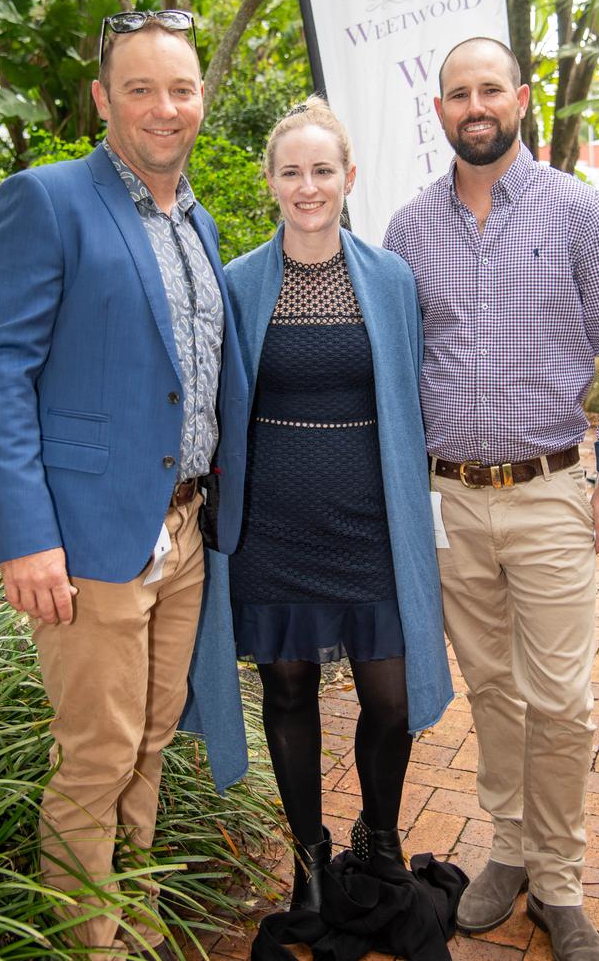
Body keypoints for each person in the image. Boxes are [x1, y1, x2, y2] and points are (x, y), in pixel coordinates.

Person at [0, 11, 248, 961]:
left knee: (151, 738)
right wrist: (24, 537)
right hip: (85, 541)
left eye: (180, 89)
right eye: (139, 89)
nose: (164, 108)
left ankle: (130, 915)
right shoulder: (45, 200)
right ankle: (86, 944)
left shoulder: (199, 222)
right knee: (96, 754)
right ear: (103, 100)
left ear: (201, 99)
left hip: (180, 537)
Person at [384, 36, 599, 961]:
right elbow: (403, 368)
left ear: (520, 98)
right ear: (439, 110)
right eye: (459, 93)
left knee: (561, 699)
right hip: (451, 500)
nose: (475, 105)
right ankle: (510, 848)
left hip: (549, 493)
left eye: (491, 88)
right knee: (492, 689)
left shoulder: (576, 212)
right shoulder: (410, 228)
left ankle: (560, 883)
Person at [217, 96, 454, 915]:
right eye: (292, 172)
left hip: (372, 522)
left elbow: (419, 394)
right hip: (274, 526)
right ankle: (310, 860)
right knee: (288, 694)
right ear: (272, 182)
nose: (308, 186)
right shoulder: (238, 283)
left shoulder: (390, 279)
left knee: (391, 698)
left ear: (349, 178)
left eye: (323, 170)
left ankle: (379, 841)